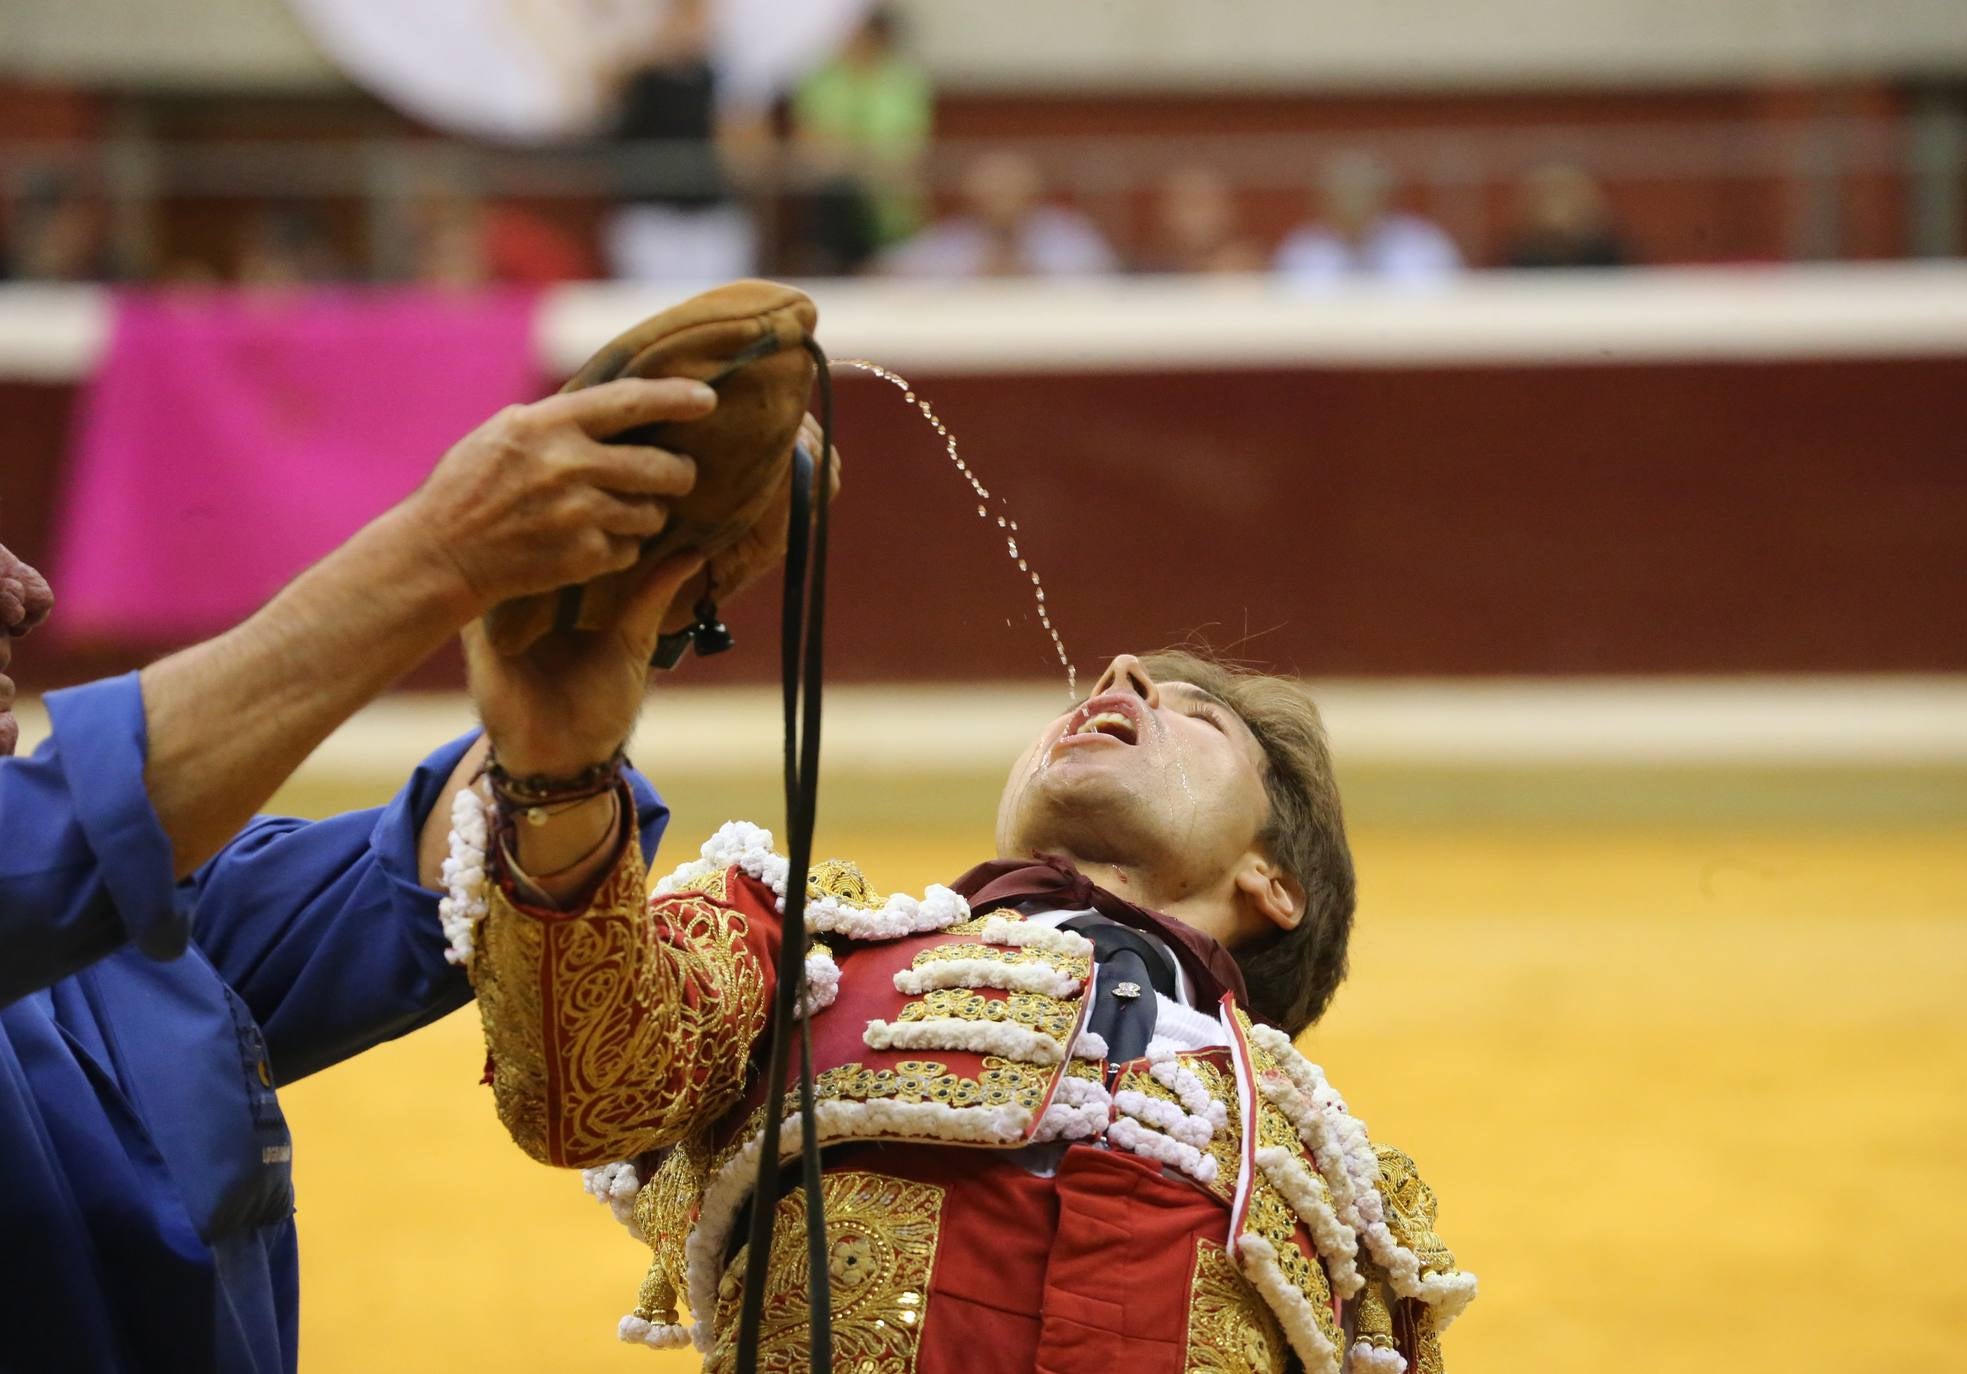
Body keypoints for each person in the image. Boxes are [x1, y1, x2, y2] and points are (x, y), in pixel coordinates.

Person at [0, 374, 815, 1373]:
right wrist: (443, 553)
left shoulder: (138, 931)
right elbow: (90, 833)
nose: (25, 594)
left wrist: (588, 624)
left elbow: (434, 874)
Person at [455, 604, 1477, 1368]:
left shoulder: (1351, 1208)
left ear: (1273, 883)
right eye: (1112, 687)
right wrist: (564, 771)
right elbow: (582, 1088)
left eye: (1198, 718)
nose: (1118, 675)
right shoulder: (802, 947)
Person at [600, 0, 763, 282]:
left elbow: (745, 144)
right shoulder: (640, 76)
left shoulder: (724, 76)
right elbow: (603, 106)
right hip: (652, 215)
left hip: (711, 213)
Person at [791, 5, 934, 253]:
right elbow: (813, 144)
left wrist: (852, 157)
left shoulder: (903, 82)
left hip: (888, 205)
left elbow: (907, 149)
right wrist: (860, 159)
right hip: (833, 205)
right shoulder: (823, 78)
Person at [880, 150, 1116, 279]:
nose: (1002, 202)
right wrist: (973, 273)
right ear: (972, 198)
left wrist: (1031, 273)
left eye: (1011, 191)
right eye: (993, 193)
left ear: (1032, 193)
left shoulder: (1064, 233)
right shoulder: (951, 240)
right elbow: (890, 271)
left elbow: (1102, 275)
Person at [1274, 153, 1462, 288]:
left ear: (1385, 195)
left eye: (1362, 191)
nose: (1353, 202)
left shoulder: (1421, 241)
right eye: (1344, 192)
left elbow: (1443, 299)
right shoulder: (1303, 247)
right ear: (1324, 199)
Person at [1500, 162, 1632, 270]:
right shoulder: (1507, 278)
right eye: (1551, 194)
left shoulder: (1628, 280)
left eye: (1564, 193)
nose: (1558, 205)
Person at [1140, 166, 1267, 275]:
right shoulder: (1143, 274)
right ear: (1164, 212)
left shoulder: (1253, 270)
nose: (1197, 217)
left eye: (1203, 203)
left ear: (1228, 210)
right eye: (1187, 204)